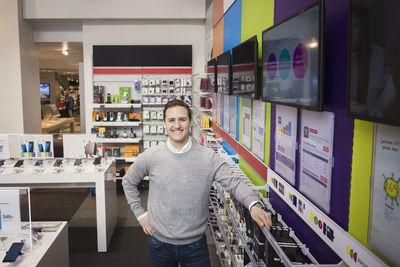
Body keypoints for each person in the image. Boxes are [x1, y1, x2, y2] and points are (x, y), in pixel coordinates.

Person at [122, 99, 272, 267]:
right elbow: (128, 181)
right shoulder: (151, 156)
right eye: (171, 120)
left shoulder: (208, 157)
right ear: (164, 124)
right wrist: (140, 215)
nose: (177, 125)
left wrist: (253, 204)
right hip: (160, 243)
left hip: (195, 246)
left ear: (190, 122)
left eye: (182, 119)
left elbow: (234, 182)